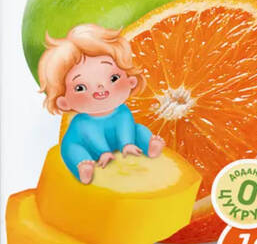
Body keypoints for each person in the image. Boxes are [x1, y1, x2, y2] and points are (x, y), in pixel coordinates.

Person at [38, 23, 165, 183]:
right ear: (64, 103)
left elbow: (125, 127)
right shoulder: (82, 123)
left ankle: (150, 146)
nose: (100, 87)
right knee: (72, 150)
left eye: (113, 78)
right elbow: (91, 137)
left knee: (138, 130)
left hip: (117, 142)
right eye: (80, 87)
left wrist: (127, 144)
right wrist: (103, 152)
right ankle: (82, 168)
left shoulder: (123, 111)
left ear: (130, 81)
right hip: (85, 146)